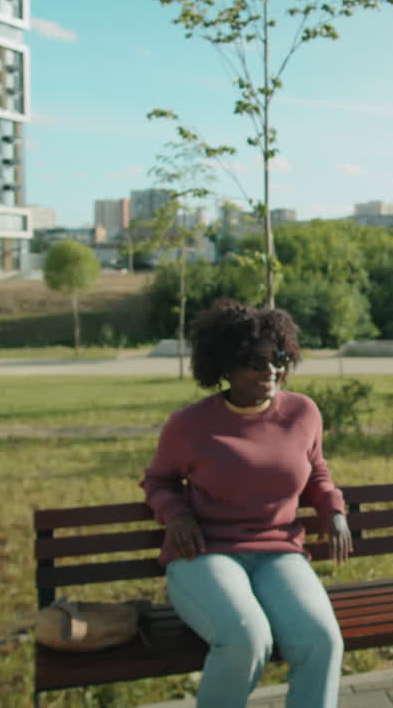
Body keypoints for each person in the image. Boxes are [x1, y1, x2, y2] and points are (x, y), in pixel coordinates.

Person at [141, 297, 353, 708]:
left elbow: (317, 473)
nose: (270, 369)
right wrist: (177, 515)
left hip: (279, 554)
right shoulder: (189, 425)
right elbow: (159, 480)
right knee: (247, 638)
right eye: (254, 361)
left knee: (322, 640)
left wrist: (334, 510)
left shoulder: (302, 413)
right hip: (205, 554)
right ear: (225, 365)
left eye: (277, 357)